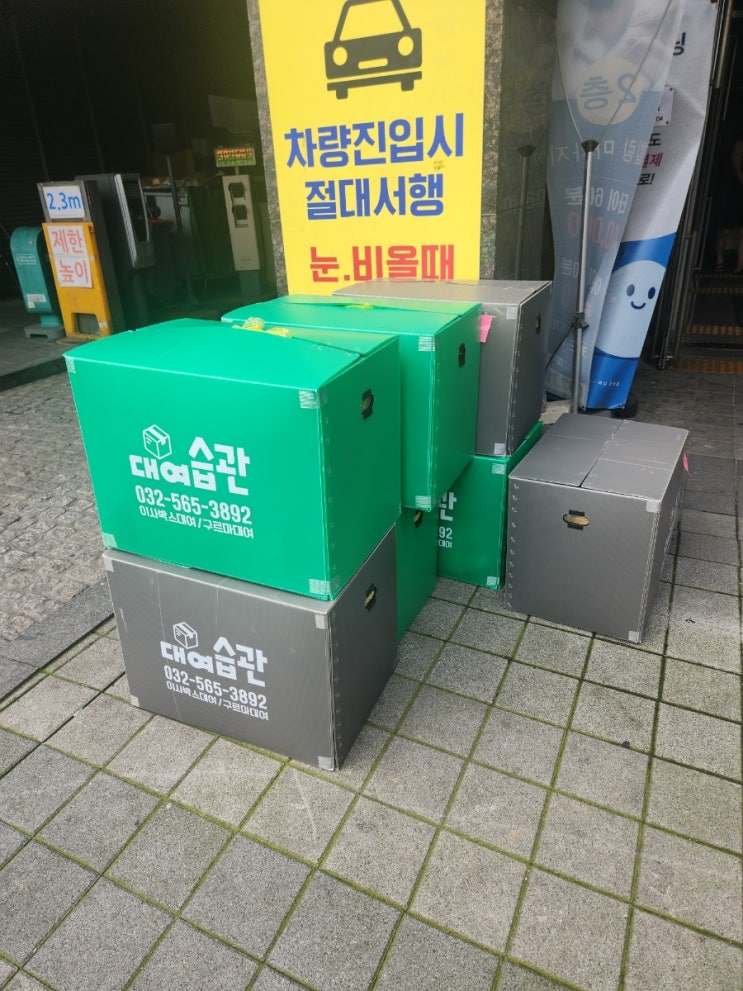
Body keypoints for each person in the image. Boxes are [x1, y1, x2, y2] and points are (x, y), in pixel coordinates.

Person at [714, 130, 743, 274]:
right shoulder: (739, 142)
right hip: (733, 193)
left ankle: (739, 263)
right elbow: (736, 165)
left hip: (736, 192)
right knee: (725, 229)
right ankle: (720, 259)